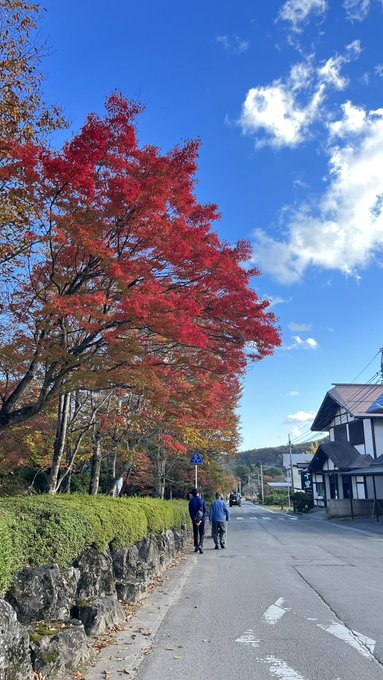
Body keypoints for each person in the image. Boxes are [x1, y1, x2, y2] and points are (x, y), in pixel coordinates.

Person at [188, 488, 207, 554]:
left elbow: (190, 512)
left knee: (195, 532)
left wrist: (194, 520)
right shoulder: (202, 500)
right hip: (201, 519)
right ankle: (201, 545)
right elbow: (205, 511)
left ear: (192, 495)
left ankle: (196, 546)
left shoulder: (191, 502)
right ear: (198, 493)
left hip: (194, 519)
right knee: (202, 533)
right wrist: (201, 520)